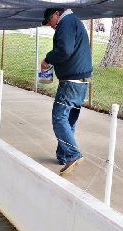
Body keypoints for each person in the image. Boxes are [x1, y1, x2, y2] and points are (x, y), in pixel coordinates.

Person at [40, 8, 92, 176]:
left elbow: (65, 50)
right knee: (69, 120)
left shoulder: (66, 22)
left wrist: (48, 59)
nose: (51, 25)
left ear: (57, 14)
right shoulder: (74, 22)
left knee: (59, 118)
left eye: (50, 21)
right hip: (82, 80)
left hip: (71, 81)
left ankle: (72, 154)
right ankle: (63, 155)